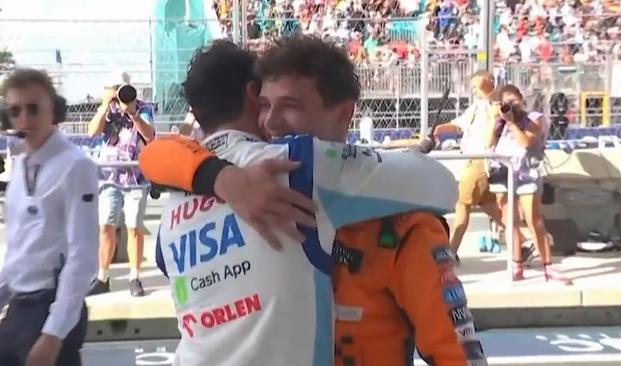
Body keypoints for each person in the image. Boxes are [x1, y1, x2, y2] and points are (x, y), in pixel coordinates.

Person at [140, 36, 484, 366]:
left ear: (343, 114)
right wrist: (225, 180)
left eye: (290, 106)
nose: (271, 122)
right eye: (264, 106)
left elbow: (455, 351)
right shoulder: (272, 169)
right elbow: (440, 183)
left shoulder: (404, 225)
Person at [0, 68, 98, 366]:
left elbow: (82, 257)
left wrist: (53, 334)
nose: (25, 119)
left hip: (50, 308)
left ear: (53, 110)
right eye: (15, 111)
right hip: (19, 307)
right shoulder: (20, 165)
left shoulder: (75, 166)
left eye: (34, 108)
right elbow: (18, 249)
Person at [413, 71, 504, 260]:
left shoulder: (493, 107)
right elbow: (459, 125)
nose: (473, 91)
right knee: (493, 209)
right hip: (474, 161)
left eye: (476, 87)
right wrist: (440, 129)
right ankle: (526, 240)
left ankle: (451, 251)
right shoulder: (477, 107)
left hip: (479, 161)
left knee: (462, 205)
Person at [486, 85, 571, 284]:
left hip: (527, 174)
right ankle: (516, 264)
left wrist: (512, 122)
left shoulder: (534, 118)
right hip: (504, 173)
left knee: (534, 220)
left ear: (521, 99)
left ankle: (548, 266)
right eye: (506, 102)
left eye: (513, 101)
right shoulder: (500, 122)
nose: (510, 106)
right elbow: (489, 142)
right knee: (510, 221)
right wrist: (495, 121)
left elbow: (526, 142)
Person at [86, 72, 156, 296]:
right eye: (114, 88)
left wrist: (134, 114)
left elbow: (151, 136)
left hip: (135, 177)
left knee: (134, 226)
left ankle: (134, 277)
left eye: (121, 88)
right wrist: (105, 104)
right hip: (109, 176)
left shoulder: (143, 108)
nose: (119, 94)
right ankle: (102, 277)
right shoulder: (108, 111)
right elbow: (92, 132)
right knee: (105, 226)